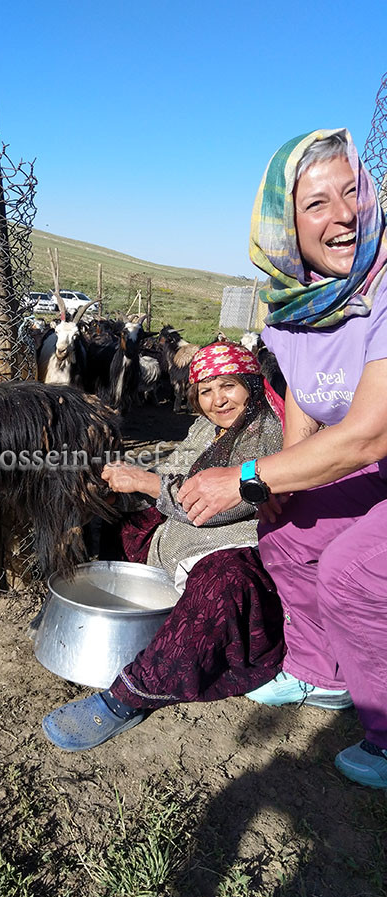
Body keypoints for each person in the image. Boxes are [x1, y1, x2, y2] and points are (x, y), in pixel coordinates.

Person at [175, 128, 387, 789]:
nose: (344, 215)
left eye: (353, 193)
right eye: (317, 203)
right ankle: (323, 675)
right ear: (285, 226)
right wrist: (283, 483)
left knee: (354, 571)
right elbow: (304, 395)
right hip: (372, 464)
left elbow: (368, 436)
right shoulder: (295, 307)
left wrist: (249, 476)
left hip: (374, 450)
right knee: (287, 533)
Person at [42, 341, 287, 751]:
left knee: (223, 584)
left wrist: (144, 481)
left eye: (228, 386)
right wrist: (123, 485)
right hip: (179, 537)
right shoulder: (206, 428)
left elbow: (220, 508)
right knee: (120, 520)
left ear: (251, 383)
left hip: (232, 548)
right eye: (205, 391)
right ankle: (129, 618)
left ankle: (127, 697)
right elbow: (173, 471)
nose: (217, 400)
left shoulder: (268, 432)